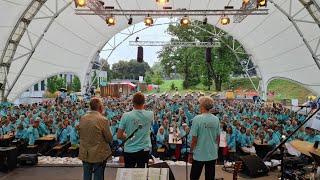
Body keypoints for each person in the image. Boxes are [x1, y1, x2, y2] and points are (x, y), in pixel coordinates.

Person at [78, 97, 112, 180]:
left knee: (86, 175)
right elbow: (109, 138)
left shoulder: (83, 118)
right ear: (100, 107)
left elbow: (80, 134)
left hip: (85, 152)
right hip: (99, 154)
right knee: (98, 176)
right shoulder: (103, 120)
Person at [117, 92, 153, 168]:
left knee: (129, 174)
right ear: (144, 102)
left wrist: (129, 137)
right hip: (144, 149)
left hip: (129, 149)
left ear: (133, 102)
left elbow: (119, 135)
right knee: (142, 174)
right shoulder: (150, 114)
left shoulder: (126, 116)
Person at [189, 96, 220, 180]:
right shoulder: (216, 119)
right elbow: (218, 138)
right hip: (212, 154)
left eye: (199, 104)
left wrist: (191, 153)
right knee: (210, 177)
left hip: (199, 154)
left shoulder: (197, 119)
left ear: (202, 106)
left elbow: (194, 140)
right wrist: (216, 153)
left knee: (194, 177)